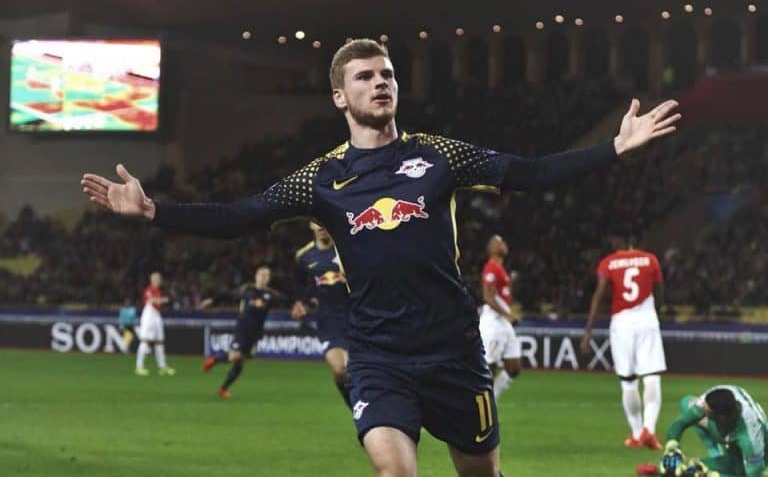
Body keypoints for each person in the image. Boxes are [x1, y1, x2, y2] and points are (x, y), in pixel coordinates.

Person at [82, 38, 681, 477]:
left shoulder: (439, 156)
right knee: (394, 470)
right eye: (365, 76)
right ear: (340, 96)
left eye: (388, 74)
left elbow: (530, 173)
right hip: (378, 353)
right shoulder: (322, 178)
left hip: (454, 351)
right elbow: (242, 216)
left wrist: (614, 148)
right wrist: (155, 211)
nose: (381, 83)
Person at [579, 233, 665, 450]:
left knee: (628, 381)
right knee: (652, 377)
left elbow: (598, 297)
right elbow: (660, 292)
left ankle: (636, 434)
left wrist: (588, 332)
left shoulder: (608, 263)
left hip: (622, 322)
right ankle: (649, 430)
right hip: (646, 318)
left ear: (616, 244)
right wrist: (655, 313)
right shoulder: (650, 259)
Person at [291, 222, 352, 408]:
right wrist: (300, 303)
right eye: (316, 222)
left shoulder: (346, 248)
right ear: (310, 225)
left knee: (363, 372)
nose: (321, 226)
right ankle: (356, 410)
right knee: (340, 371)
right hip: (329, 322)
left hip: (357, 319)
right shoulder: (303, 256)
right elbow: (302, 286)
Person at [201, 265, 283, 398]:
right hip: (242, 329)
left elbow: (287, 300)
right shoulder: (247, 290)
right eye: (261, 275)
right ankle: (214, 360)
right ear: (256, 276)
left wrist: (303, 303)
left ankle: (223, 389)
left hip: (255, 333)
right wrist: (212, 300)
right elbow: (228, 295)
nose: (263, 278)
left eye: (266, 276)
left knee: (240, 361)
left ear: (269, 279)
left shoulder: (272, 296)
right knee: (234, 356)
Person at [656, 385, 767, 477]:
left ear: (721, 418)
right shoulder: (717, 395)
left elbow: (754, 474)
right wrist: (672, 448)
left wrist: (711, 475)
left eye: (707, 412)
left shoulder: (750, 439)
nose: (701, 409)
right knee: (687, 403)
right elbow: (680, 424)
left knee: (695, 472)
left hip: (751, 459)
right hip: (728, 433)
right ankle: (715, 453)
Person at [478, 235, 521, 401]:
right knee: (489, 366)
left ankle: (491, 402)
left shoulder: (500, 268)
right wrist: (507, 314)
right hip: (493, 322)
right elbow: (487, 296)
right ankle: (479, 407)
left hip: (503, 322)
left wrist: (509, 311)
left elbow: (499, 296)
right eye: (500, 242)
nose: (504, 244)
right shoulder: (491, 267)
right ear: (492, 249)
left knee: (514, 367)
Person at [136, 271, 175, 376]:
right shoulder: (149, 289)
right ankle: (139, 367)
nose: (160, 281)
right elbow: (152, 301)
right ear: (152, 280)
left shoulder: (158, 291)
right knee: (145, 341)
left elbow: (158, 302)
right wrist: (164, 299)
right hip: (149, 315)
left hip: (157, 315)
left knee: (159, 341)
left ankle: (162, 367)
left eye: (160, 279)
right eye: (158, 279)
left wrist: (162, 300)